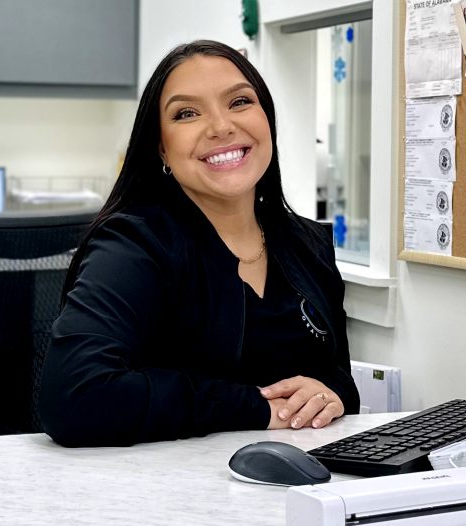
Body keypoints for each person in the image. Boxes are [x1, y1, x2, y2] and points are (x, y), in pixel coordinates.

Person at [38, 40, 360, 448]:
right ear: (161, 148)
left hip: (301, 474)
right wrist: (260, 409)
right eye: (187, 113)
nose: (221, 126)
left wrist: (331, 395)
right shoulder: (133, 245)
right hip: (162, 479)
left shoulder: (308, 245)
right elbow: (75, 397)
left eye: (240, 102)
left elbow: (337, 377)